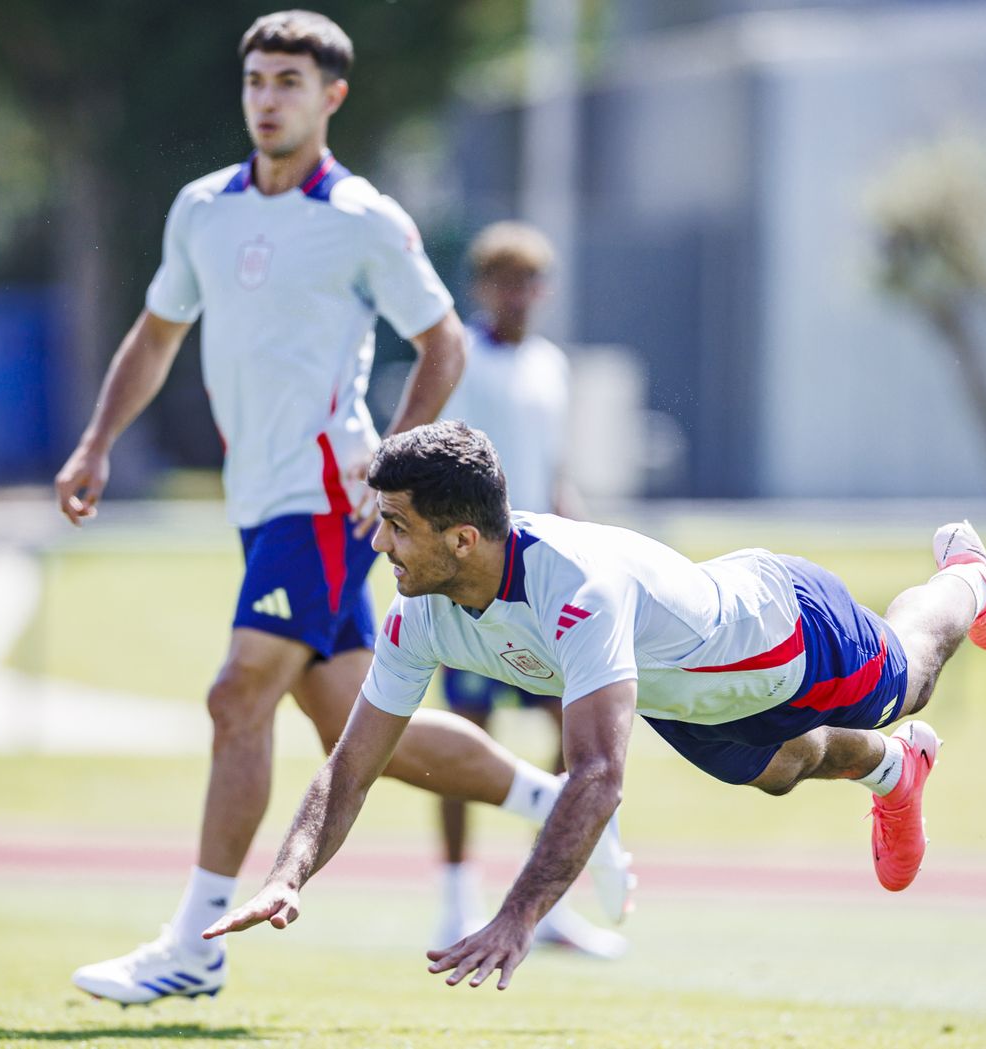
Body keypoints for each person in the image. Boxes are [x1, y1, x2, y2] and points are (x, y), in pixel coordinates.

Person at [54, 12, 630, 1005]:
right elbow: (155, 335)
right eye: (256, 80)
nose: (267, 98)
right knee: (361, 728)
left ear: (332, 97)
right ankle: (554, 802)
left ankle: (194, 942)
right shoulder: (202, 208)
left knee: (237, 694)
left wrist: (385, 482)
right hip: (257, 500)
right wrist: (97, 440)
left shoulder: (364, 217)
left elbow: (444, 343)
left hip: (322, 499)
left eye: (289, 81)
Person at [203, 420, 986, 990]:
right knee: (781, 769)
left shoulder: (578, 589)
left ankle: (969, 578)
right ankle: (894, 769)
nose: (378, 542)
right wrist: (287, 875)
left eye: (395, 525)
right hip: (685, 695)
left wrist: (518, 917)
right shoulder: (418, 611)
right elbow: (352, 765)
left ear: (462, 539)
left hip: (782, 630)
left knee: (910, 675)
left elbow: (597, 775)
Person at [430, 222, 621, 959]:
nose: (520, 295)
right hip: (475, 581)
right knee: (468, 736)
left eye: (531, 282)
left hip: (541, 580)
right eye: (507, 281)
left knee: (578, 731)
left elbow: (553, 469)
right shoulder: (461, 357)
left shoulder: (550, 365)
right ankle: (455, 903)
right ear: (483, 286)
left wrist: (588, 544)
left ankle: (547, 900)